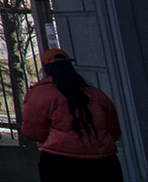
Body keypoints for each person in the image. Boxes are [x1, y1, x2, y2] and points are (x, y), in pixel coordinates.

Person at [20, 48, 122, 182]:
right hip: (104, 162)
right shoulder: (96, 94)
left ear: (45, 69)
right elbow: (114, 131)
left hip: (60, 163)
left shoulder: (40, 94)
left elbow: (33, 132)